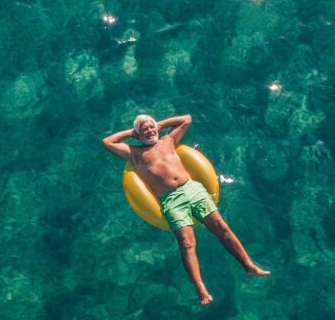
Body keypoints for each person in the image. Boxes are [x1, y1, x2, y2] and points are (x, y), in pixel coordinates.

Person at [102, 114, 270, 305]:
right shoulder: (134, 153)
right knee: (187, 244)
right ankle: (201, 290)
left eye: (151, 127)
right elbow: (107, 141)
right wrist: (132, 132)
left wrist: (159, 124)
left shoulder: (168, 140)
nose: (149, 131)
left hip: (192, 188)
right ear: (137, 135)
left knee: (221, 228)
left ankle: (249, 266)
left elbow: (187, 119)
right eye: (144, 130)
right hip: (171, 200)